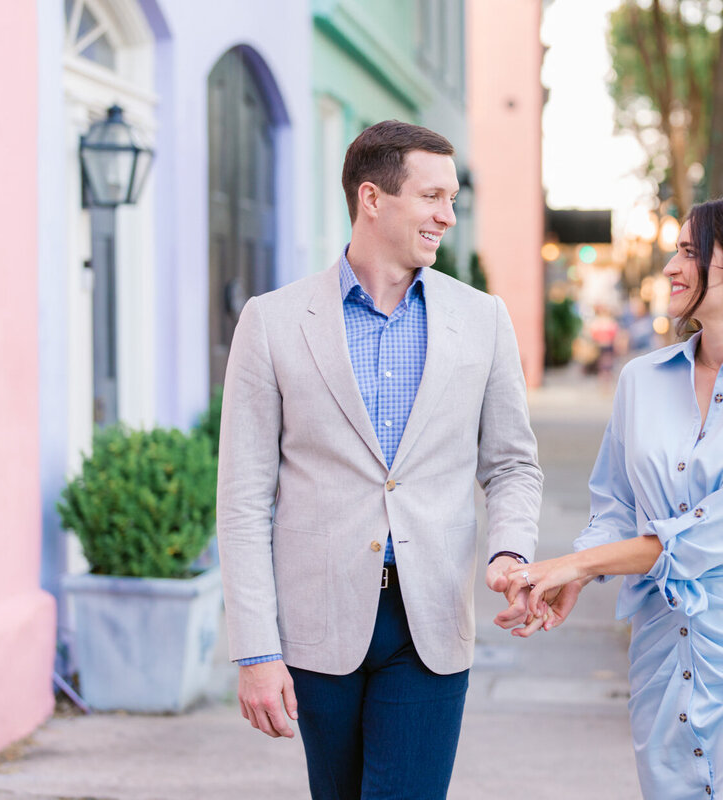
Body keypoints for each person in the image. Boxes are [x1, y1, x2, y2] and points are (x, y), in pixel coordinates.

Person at [216, 120, 543, 800]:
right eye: (432, 197)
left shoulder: (481, 318)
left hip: (430, 620)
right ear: (372, 198)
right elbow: (243, 499)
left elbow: (512, 463)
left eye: (452, 200)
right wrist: (255, 649)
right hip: (317, 623)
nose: (448, 216)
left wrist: (510, 550)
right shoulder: (272, 322)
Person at [499, 195, 723, 799]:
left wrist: (578, 564)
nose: (671, 267)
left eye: (689, 252)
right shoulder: (641, 381)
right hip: (662, 661)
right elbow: (615, 505)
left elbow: (713, 535)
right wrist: (581, 575)